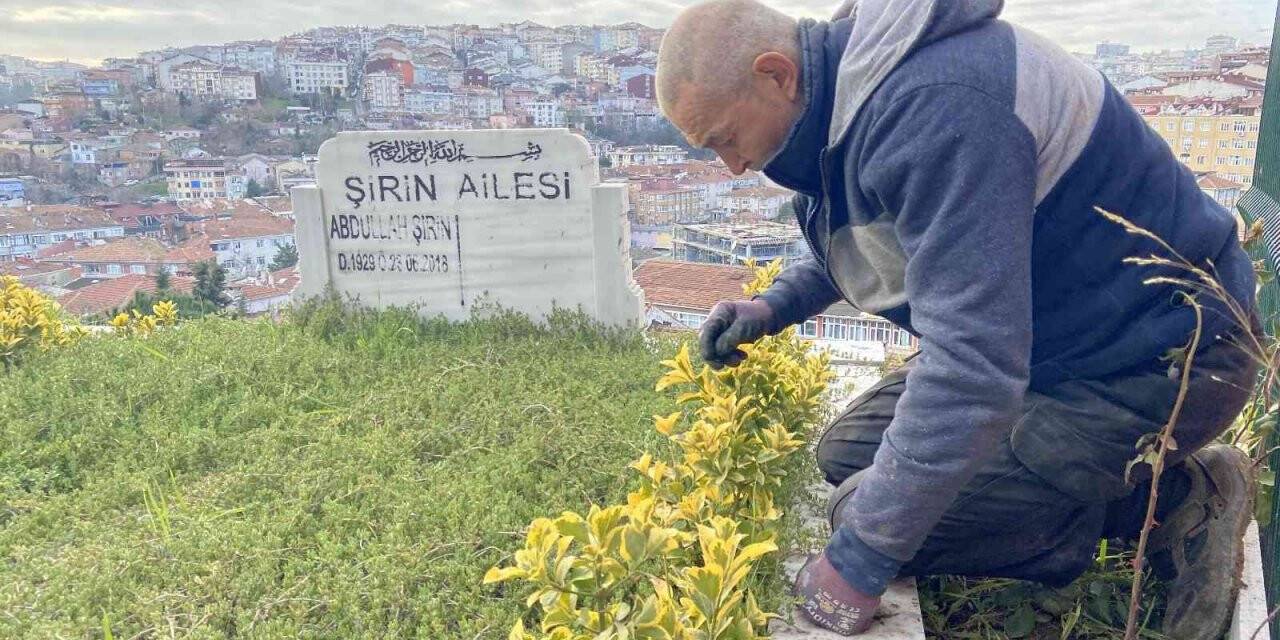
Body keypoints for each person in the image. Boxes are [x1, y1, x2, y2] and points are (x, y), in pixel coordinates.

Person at [655, 0, 1261, 637]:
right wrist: (774, 305)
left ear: (775, 74)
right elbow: (883, 231)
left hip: (1164, 358)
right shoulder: (851, 92)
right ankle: (1079, 481)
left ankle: (1178, 503)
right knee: (847, 454)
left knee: (864, 517)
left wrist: (859, 562)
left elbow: (973, 369)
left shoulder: (938, 107)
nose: (733, 165)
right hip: (1059, 341)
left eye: (724, 138)